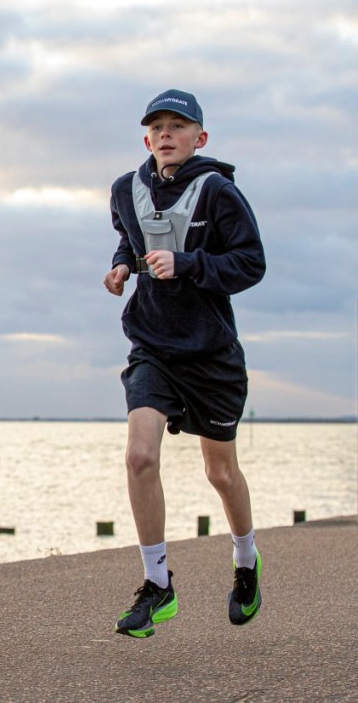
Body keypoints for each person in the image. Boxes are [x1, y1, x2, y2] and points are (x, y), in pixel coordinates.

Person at [103, 89, 266, 638]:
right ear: (146, 138)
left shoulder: (219, 191)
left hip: (211, 353)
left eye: (179, 125)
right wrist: (122, 267)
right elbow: (128, 239)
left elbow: (251, 263)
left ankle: (246, 563)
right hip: (152, 345)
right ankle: (158, 585)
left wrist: (188, 263)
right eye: (158, 126)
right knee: (140, 456)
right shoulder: (126, 189)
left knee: (220, 471)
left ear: (201, 137)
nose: (167, 134)